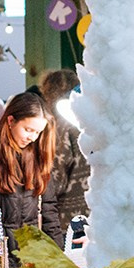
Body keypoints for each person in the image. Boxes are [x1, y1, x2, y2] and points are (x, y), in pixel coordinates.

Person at [0, 90, 56, 261]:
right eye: (28, 129)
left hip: (32, 262)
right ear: (11, 121)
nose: (32, 138)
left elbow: (49, 212)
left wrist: (58, 261)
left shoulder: (39, 157)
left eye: (37, 132)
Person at [37, 68, 90, 242]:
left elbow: (56, 178)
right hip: (95, 211)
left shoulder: (61, 126)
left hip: (69, 217)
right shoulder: (90, 121)